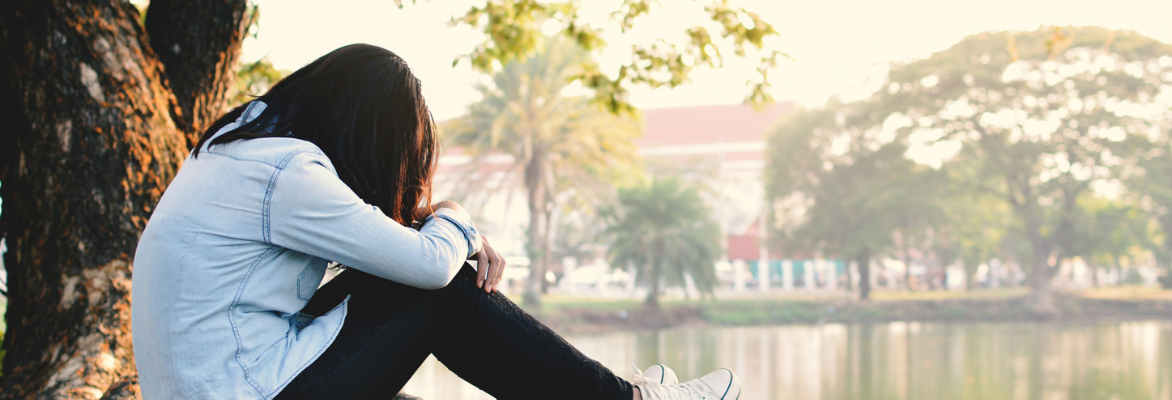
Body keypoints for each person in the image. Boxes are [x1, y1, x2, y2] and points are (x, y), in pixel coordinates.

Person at [130, 43, 741, 400]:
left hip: (225, 385)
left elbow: (388, 250)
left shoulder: (240, 151)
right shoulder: (286, 172)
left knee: (409, 289)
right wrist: (456, 218)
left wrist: (434, 228)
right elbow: (425, 266)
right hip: (245, 390)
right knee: (444, 288)